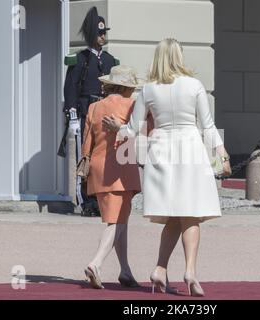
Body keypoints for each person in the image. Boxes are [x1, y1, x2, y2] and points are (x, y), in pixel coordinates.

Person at [103, 39, 232, 297]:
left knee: (174, 214)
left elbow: (133, 128)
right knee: (191, 214)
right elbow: (207, 125)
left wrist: (117, 128)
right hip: (189, 149)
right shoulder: (194, 85)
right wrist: (221, 152)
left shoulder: (148, 90)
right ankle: (190, 271)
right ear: (179, 57)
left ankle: (160, 269)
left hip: (160, 149)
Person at [82, 65, 145, 289]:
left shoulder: (94, 107)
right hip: (122, 169)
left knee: (119, 220)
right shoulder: (131, 105)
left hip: (98, 170)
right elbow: (145, 133)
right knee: (116, 221)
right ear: (126, 87)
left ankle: (125, 270)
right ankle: (96, 263)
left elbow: (86, 145)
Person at [63, 6, 119, 217]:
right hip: (86, 113)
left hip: (105, 115)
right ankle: (86, 201)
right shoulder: (79, 59)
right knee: (85, 159)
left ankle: (102, 198)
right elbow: (71, 88)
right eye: (99, 33)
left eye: (105, 33)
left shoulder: (110, 61)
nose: (103, 36)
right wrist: (72, 116)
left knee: (104, 159)